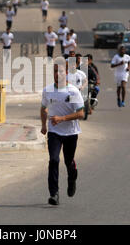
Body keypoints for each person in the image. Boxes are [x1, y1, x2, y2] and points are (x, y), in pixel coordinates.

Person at [40, 57, 85, 206]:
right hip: (54, 132)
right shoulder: (47, 90)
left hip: (71, 133)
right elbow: (43, 108)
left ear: (65, 73)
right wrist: (44, 125)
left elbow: (80, 114)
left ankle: (72, 178)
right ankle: (54, 194)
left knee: (68, 161)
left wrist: (62, 118)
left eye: (60, 71)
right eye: (54, 71)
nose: (57, 74)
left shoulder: (73, 91)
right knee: (54, 160)